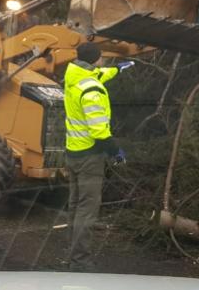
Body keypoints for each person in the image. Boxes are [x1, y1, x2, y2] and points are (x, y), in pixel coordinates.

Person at [63, 42, 132, 272]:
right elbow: (99, 131)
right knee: (87, 209)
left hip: (72, 153)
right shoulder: (92, 90)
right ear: (95, 59)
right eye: (102, 58)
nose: (103, 62)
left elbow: (100, 75)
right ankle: (80, 263)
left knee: (75, 206)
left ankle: (72, 254)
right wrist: (116, 152)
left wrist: (119, 69)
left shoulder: (75, 76)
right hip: (89, 157)